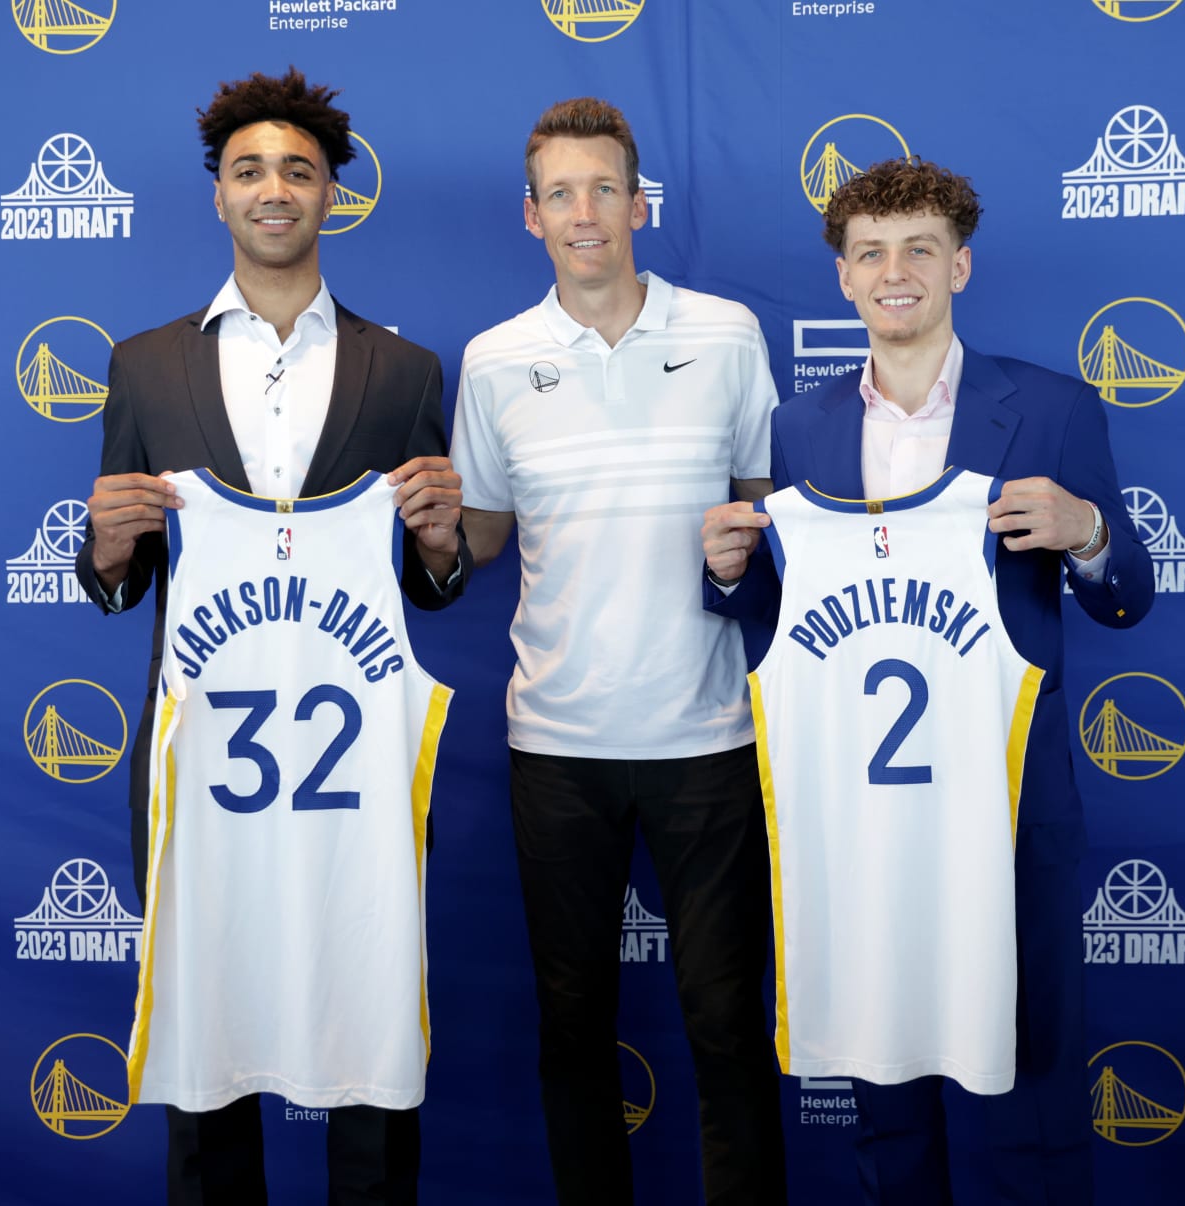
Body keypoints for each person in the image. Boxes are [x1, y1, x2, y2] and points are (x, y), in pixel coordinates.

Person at [701, 158, 1154, 1205]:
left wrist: (1088, 534)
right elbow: (799, 627)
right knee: (884, 1094)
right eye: (870, 254)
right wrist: (728, 579)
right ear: (843, 278)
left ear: (960, 266)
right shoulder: (800, 429)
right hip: (863, 817)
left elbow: (1126, 600)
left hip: (1005, 810)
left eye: (918, 250)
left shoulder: (1049, 408)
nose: (893, 272)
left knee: (1031, 1086)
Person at [72, 67, 469, 1206]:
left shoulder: (407, 371)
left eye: (298, 169)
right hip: (203, 771)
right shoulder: (147, 363)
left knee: (373, 1052)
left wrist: (442, 541)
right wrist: (103, 546)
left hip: (358, 780)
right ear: (220, 198)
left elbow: (428, 587)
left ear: (333, 193)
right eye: (250, 170)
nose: (274, 189)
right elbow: (125, 574)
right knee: (206, 1053)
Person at [450, 97, 787, 1205]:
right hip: (557, 743)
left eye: (605, 188)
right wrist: (426, 518)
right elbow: (488, 536)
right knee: (571, 1023)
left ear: (639, 201)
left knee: (731, 1023)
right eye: (561, 193)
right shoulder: (493, 361)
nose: (584, 212)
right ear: (531, 216)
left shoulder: (728, 333)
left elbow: (764, 517)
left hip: (711, 737)